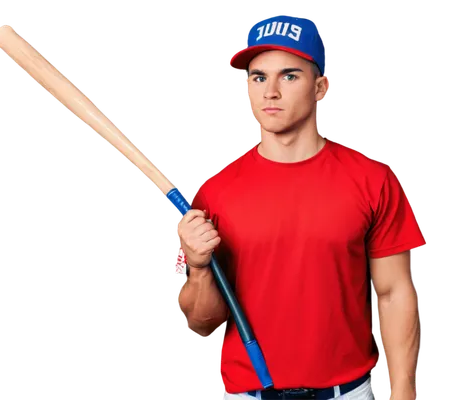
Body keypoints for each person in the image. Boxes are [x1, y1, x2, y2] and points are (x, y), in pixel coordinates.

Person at [174, 12, 427, 400]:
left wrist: (404, 391)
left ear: (321, 88)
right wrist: (198, 265)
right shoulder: (210, 193)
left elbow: (393, 292)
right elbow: (202, 325)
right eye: (258, 77)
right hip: (246, 394)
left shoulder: (373, 180)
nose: (270, 92)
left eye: (289, 75)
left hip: (348, 393)